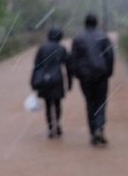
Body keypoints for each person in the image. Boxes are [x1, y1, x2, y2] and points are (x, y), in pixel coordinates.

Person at [70, 13, 114, 146]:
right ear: (96, 23)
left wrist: (77, 74)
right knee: (101, 102)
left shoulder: (78, 38)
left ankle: (93, 131)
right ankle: (99, 128)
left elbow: (73, 58)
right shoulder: (103, 37)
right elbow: (110, 55)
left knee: (90, 103)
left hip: (85, 76)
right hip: (101, 74)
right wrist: (108, 72)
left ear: (85, 23)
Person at [31, 26, 72, 138]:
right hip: (57, 80)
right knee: (57, 104)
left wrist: (34, 82)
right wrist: (69, 82)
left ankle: (50, 128)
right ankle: (57, 124)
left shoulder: (42, 48)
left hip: (45, 80)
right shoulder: (61, 49)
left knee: (48, 105)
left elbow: (36, 66)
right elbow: (68, 66)